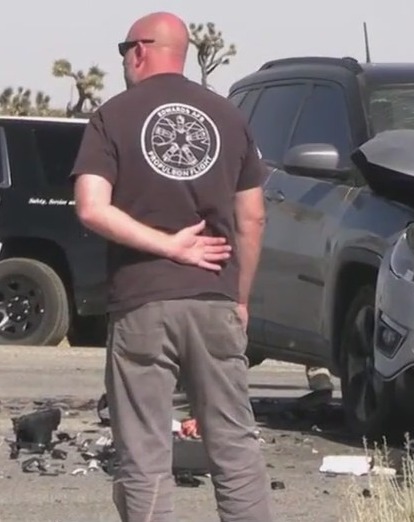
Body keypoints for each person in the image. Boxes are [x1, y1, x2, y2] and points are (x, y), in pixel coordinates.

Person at [71, 11, 274, 522]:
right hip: (214, 299)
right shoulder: (228, 116)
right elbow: (253, 216)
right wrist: (241, 297)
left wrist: (169, 247)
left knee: (144, 452)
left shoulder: (112, 116)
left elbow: (92, 207)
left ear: (139, 50)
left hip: (143, 302)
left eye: (124, 49)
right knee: (233, 444)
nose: (122, 59)